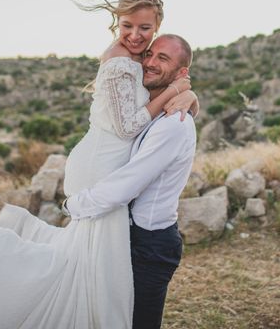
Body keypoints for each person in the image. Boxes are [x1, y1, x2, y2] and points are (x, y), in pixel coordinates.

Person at [0, 0, 198, 329]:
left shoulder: (141, 61)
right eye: (128, 26)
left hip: (105, 167)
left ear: (156, 28)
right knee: (87, 272)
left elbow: (161, 89)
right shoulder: (119, 59)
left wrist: (188, 93)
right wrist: (176, 89)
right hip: (101, 166)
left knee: (85, 267)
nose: (136, 37)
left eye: (145, 30)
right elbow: (129, 127)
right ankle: (2, 260)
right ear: (116, 21)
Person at [63, 34, 197, 329]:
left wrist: (73, 205)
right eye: (150, 54)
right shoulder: (155, 111)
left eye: (163, 59)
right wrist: (188, 93)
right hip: (128, 235)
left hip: (150, 244)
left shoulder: (173, 124)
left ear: (182, 73)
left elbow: (127, 184)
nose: (149, 62)